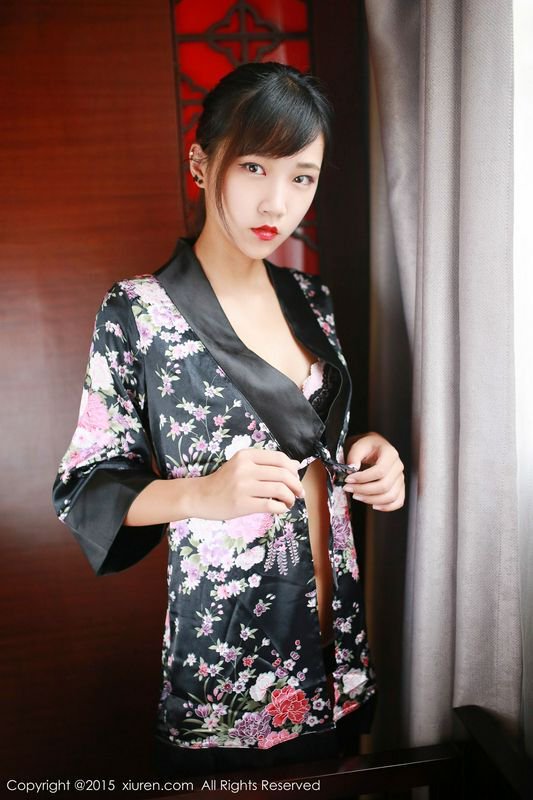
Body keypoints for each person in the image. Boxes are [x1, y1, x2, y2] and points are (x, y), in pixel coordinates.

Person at [52, 61, 404, 778]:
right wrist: (203, 494)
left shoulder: (313, 300)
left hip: (336, 647)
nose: (276, 201)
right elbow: (84, 488)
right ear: (200, 163)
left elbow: (321, 440)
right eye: (253, 166)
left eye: (301, 176)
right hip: (231, 663)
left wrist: (372, 452)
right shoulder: (139, 312)